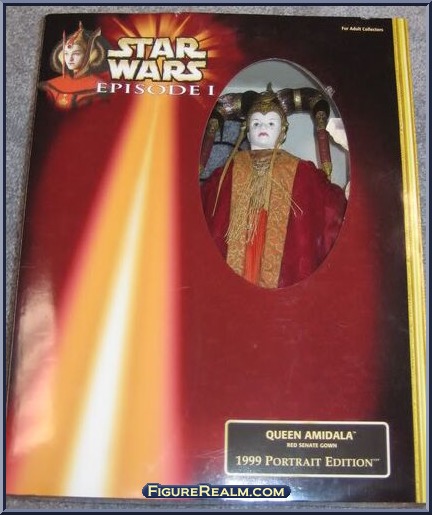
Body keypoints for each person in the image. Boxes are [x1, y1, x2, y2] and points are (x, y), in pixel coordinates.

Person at [201, 86, 347, 288]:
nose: (263, 126)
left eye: (271, 122)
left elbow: (330, 209)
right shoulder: (225, 174)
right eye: (256, 123)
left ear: (283, 131)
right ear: (247, 132)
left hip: (284, 273)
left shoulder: (302, 171)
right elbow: (202, 210)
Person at [39, 22, 110, 109]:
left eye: (76, 53)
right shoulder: (52, 85)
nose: (70, 58)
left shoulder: (100, 87)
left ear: (89, 56)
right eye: (66, 54)